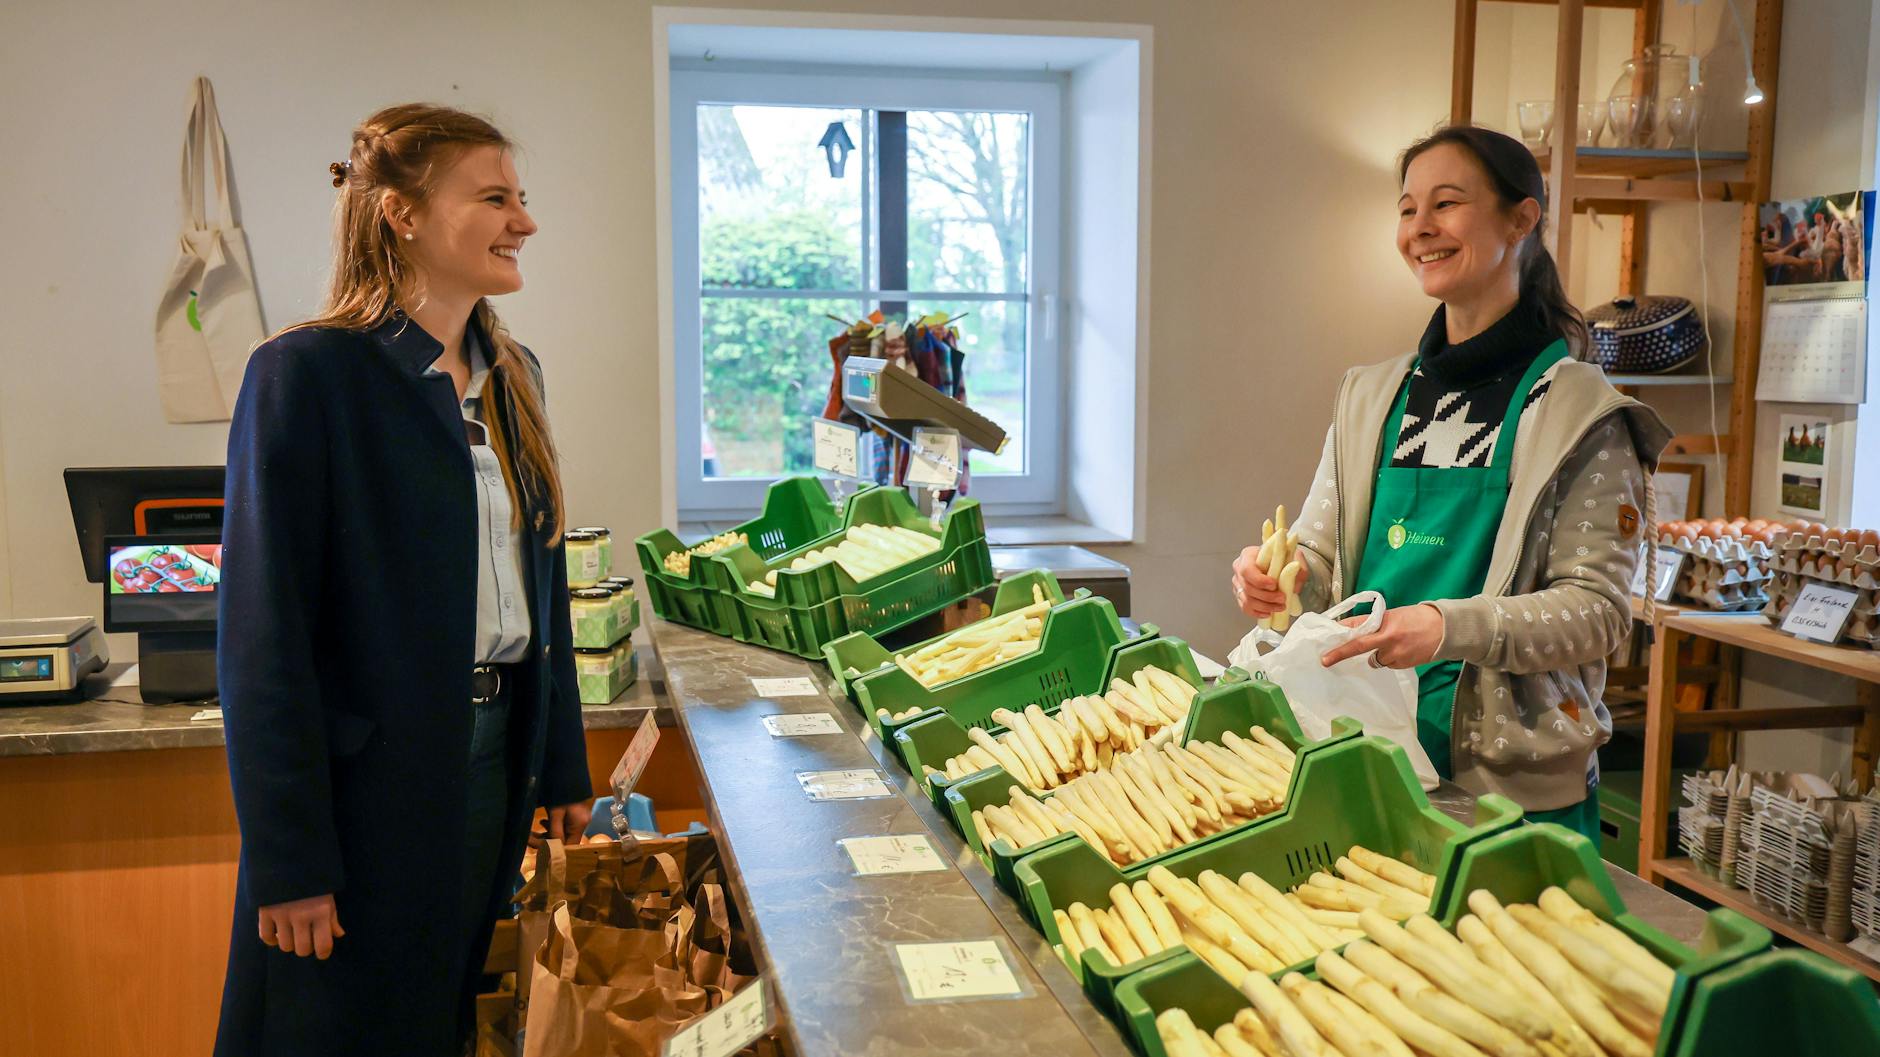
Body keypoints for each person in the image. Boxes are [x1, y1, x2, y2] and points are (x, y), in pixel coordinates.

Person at [214, 104, 594, 1057]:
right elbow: (264, 638)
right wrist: (288, 858)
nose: (526, 221)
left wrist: (561, 766)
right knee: (339, 1029)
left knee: (446, 1016)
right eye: (496, 197)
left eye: (523, 197)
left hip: (496, 756)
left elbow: (540, 589)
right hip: (365, 789)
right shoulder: (305, 374)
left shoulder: (515, 376)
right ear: (403, 215)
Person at [1229, 126, 1670, 842]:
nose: (1420, 229)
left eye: (1447, 203)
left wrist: (1444, 627)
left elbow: (1597, 613)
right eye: (1407, 210)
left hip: (1507, 788)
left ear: (1522, 219)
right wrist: (1278, 580)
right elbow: (1317, 560)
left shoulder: (1579, 413)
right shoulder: (1372, 396)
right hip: (1364, 747)